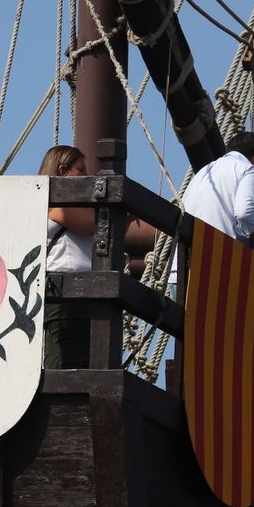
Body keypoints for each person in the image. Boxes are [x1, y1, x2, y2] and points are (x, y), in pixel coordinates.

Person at [39, 145, 163, 368]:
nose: (86, 176)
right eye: (80, 169)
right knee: (64, 363)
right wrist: (123, 216)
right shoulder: (55, 205)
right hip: (62, 296)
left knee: (82, 363)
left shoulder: (67, 207)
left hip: (82, 294)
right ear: (62, 170)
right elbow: (94, 226)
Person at [179, 131, 254, 262]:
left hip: (180, 270)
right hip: (214, 267)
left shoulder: (203, 172)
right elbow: (246, 214)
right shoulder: (250, 170)